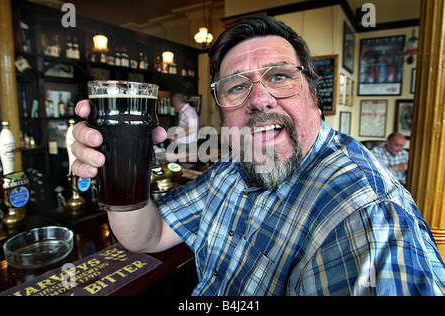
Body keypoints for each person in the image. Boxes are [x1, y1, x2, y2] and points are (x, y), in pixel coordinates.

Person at [71, 16, 445, 295]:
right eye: (236, 86)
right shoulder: (233, 168)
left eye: (279, 76)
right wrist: (114, 176)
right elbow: (147, 236)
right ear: (222, 109)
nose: (259, 99)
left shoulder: (367, 215)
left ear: (315, 96)